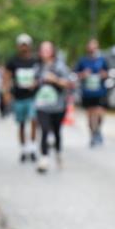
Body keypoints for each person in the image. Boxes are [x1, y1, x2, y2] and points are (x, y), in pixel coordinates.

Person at [33, 40, 73, 174]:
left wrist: (55, 79)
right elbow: (33, 83)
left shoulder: (60, 66)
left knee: (56, 131)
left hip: (58, 105)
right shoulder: (37, 67)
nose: (45, 52)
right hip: (42, 105)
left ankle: (58, 153)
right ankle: (44, 158)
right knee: (44, 130)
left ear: (52, 51)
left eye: (47, 49)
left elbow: (68, 83)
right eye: (42, 49)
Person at [5, 34, 40, 162]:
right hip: (18, 97)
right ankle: (23, 148)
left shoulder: (35, 61)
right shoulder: (13, 61)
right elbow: (7, 77)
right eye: (21, 45)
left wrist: (35, 84)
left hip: (32, 97)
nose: (24, 47)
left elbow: (40, 76)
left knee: (33, 120)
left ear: (29, 46)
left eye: (26, 45)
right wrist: (6, 93)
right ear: (18, 46)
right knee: (21, 124)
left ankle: (32, 147)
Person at [74, 38, 110, 147]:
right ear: (87, 48)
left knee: (100, 113)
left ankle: (98, 129)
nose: (92, 48)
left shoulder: (102, 60)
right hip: (87, 92)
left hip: (100, 92)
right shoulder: (83, 61)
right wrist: (83, 75)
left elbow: (108, 73)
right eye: (90, 46)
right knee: (90, 115)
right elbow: (75, 75)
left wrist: (104, 74)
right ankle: (93, 135)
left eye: (95, 46)